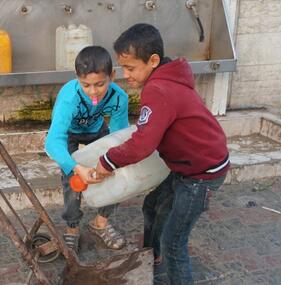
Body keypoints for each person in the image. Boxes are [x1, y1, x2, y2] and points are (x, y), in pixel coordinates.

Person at [95, 23, 229, 284]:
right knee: (153, 205)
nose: (126, 75)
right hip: (187, 167)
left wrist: (107, 161)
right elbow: (150, 132)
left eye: (131, 68)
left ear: (153, 60)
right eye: (124, 67)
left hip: (201, 175)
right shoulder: (167, 80)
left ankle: (163, 255)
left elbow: (143, 143)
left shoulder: (157, 89)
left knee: (174, 242)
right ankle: (151, 258)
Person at [45, 46, 129, 254]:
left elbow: (119, 137)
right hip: (70, 134)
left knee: (115, 170)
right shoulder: (69, 98)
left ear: (112, 76)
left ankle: (100, 222)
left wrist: (111, 161)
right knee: (73, 181)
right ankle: (72, 229)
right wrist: (75, 167)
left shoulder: (119, 98)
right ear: (77, 79)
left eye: (100, 84)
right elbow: (53, 141)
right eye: (86, 85)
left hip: (97, 129)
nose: (93, 92)